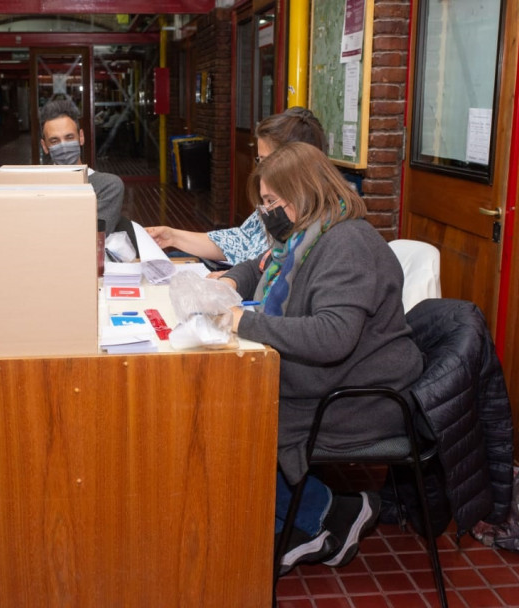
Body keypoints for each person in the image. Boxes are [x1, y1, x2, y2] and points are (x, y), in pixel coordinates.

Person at [218, 141, 424, 572]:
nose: (265, 211)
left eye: (272, 200)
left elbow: (333, 336)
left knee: (233, 418)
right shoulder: (303, 238)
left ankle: (320, 515)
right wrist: (229, 286)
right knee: (232, 406)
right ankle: (308, 517)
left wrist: (243, 322)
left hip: (362, 395)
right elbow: (257, 266)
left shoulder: (346, 243)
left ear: (304, 192)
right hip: (335, 377)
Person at [146, 107, 327, 266]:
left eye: (266, 160)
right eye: (259, 159)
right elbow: (241, 241)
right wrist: (172, 237)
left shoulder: (318, 222)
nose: (259, 168)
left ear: (296, 159)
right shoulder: (275, 201)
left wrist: (236, 280)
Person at [39, 97, 123, 234]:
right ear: (45, 146)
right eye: (54, 141)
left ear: (81, 137)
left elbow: (90, 236)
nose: (64, 146)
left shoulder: (107, 186)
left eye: (69, 137)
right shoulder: (35, 185)